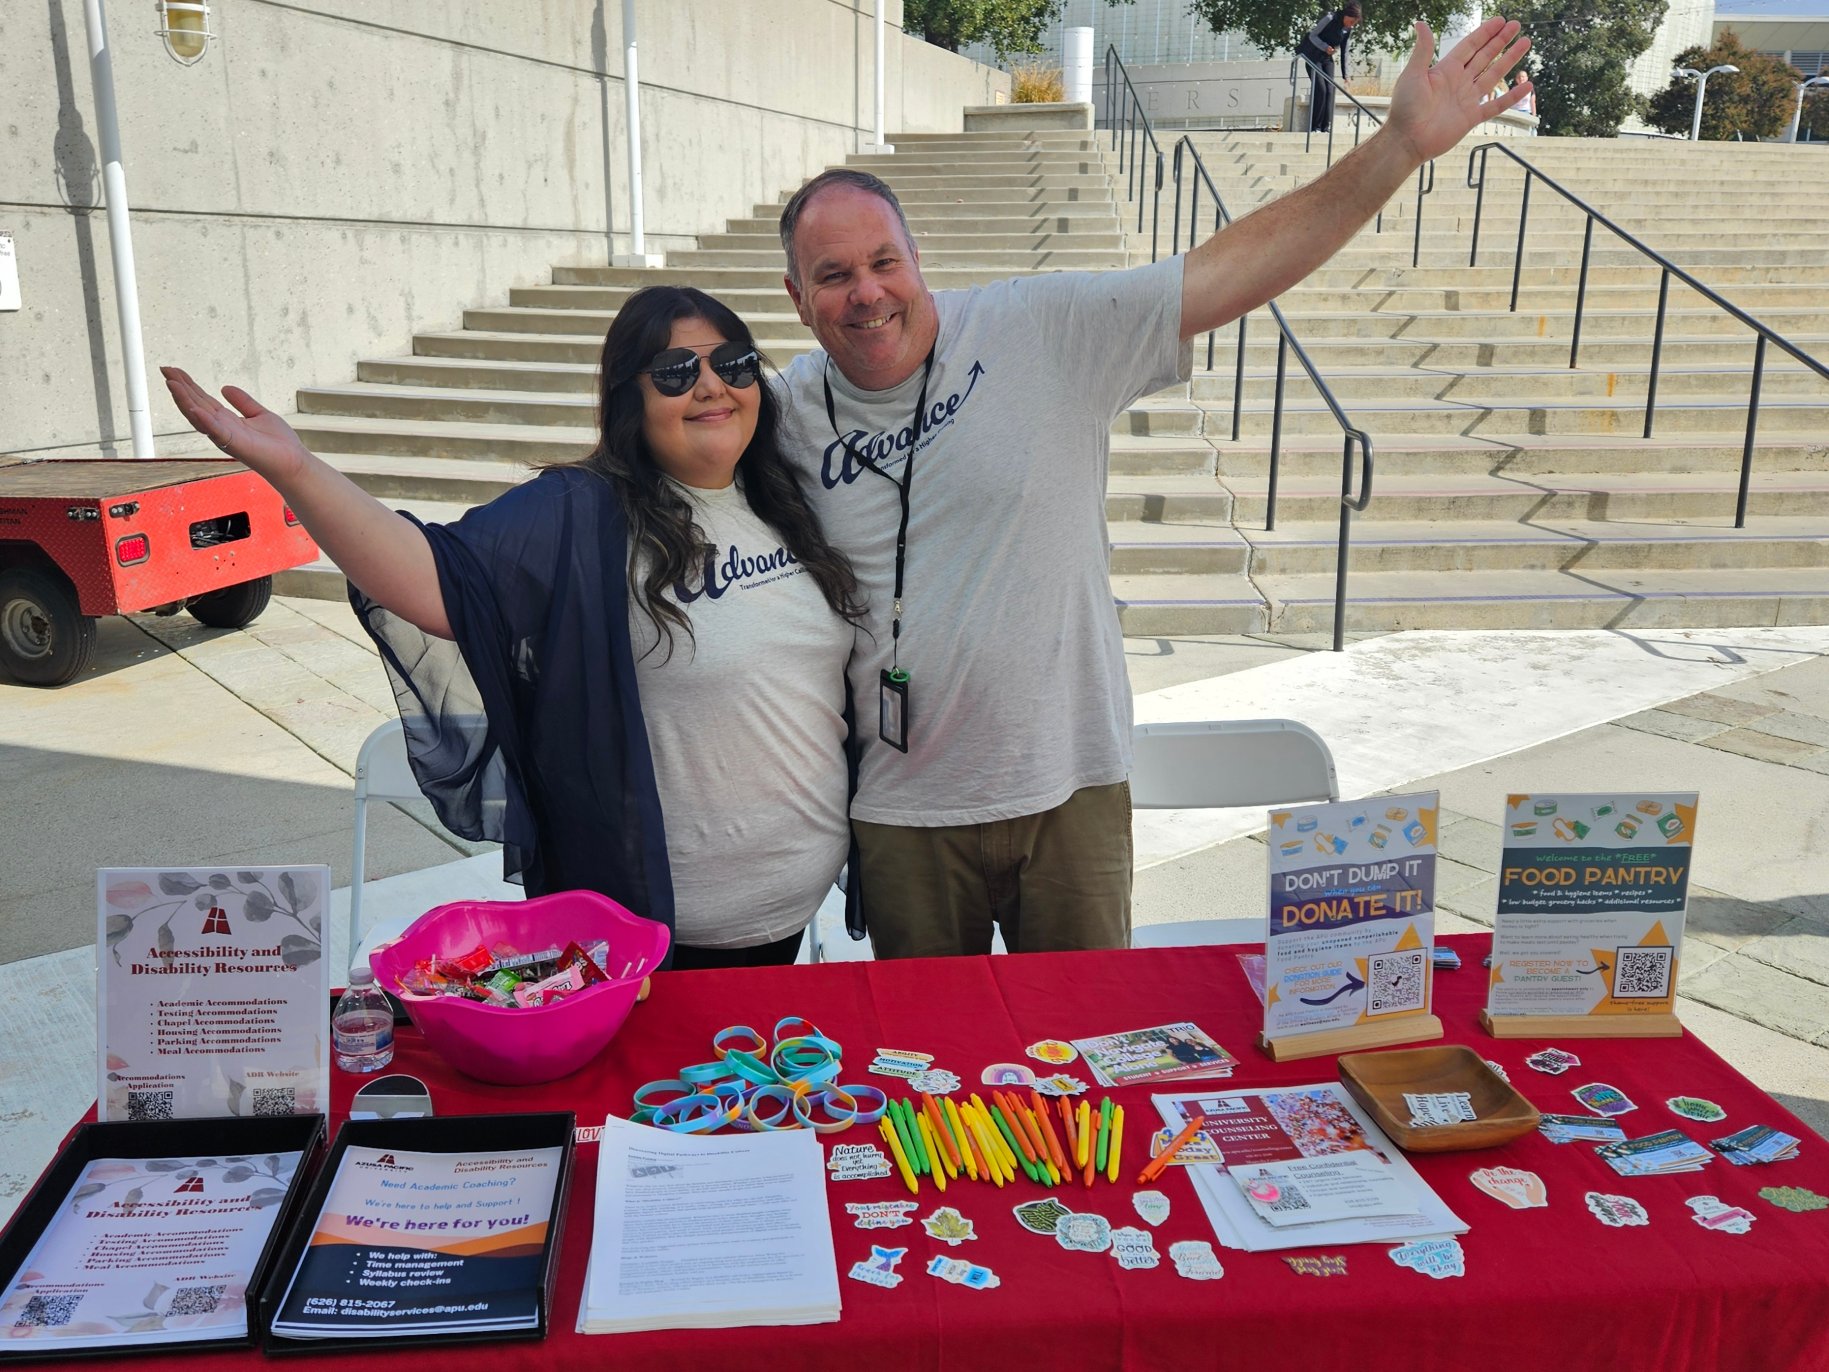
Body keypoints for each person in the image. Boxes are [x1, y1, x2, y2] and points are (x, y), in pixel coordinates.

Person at [771, 18, 1531, 960]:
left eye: (884, 262)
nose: (867, 293)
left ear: (917, 259)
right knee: (935, 1071)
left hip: (1072, 789)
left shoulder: (1038, 331)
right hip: (900, 812)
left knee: (1093, 1053)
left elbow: (1227, 271)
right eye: (833, 275)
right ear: (799, 299)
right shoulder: (782, 412)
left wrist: (1400, 146)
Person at [161, 286, 864, 971]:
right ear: (632, 397)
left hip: (790, 918)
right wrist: (298, 470)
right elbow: (433, 578)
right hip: (658, 944)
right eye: (677, 372)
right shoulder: (579, 514)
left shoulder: (788, 498)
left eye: (733, 363)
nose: (712, 386)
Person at [1298, 0, 1362, 134]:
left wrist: (1346, 75)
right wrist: (1324, 47)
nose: (1350, 25)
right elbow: (1312, 36)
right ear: (1346, 15)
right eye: (1350, 21)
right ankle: (1314, 126)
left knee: (1330, 89)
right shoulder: (1330, 18)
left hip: (1327, 59)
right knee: (1320, 89)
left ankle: (1325, 127)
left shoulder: (1347, 29)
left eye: (1353, 24)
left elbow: (1344, 51)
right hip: (1313, 57)